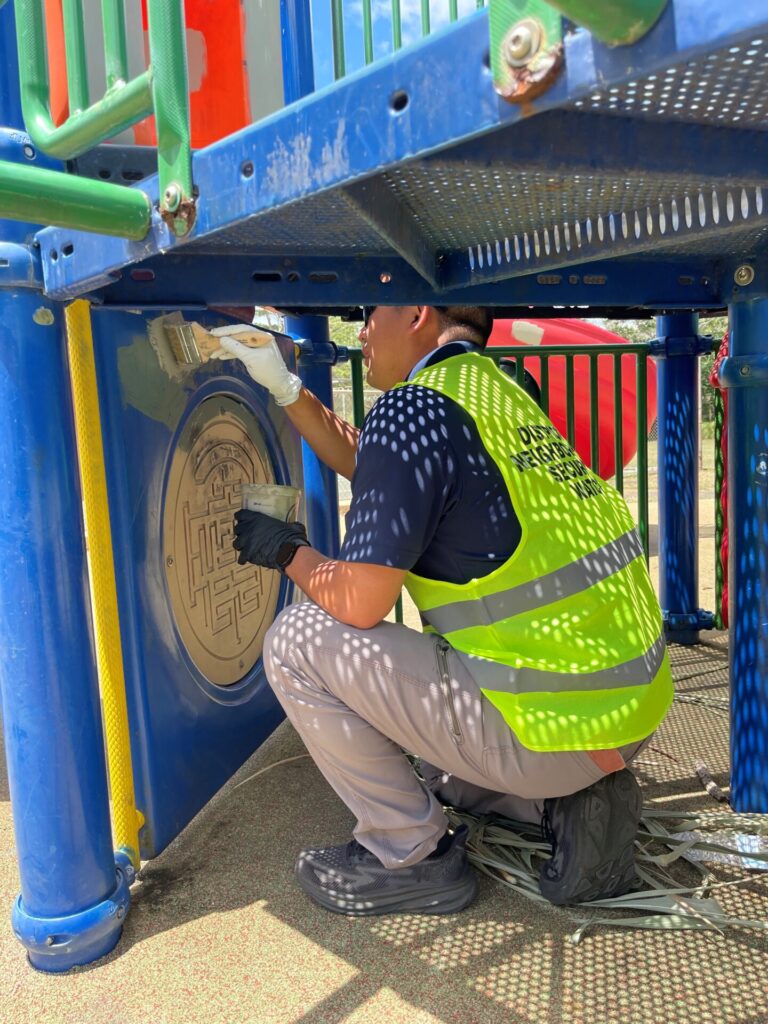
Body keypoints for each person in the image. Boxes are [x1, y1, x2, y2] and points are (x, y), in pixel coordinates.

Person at [216, 305, 673, 918]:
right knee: (436, 770)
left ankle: (409, 859)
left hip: (547, 730)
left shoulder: (412, 409)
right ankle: (560, 805)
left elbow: (358, 602)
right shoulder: (497, 392)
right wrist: (287, 388)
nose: (362, 332)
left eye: (369, 314)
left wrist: (288, 550)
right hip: (622, 715)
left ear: (417, 315)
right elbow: (379, 462)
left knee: (297, 640)